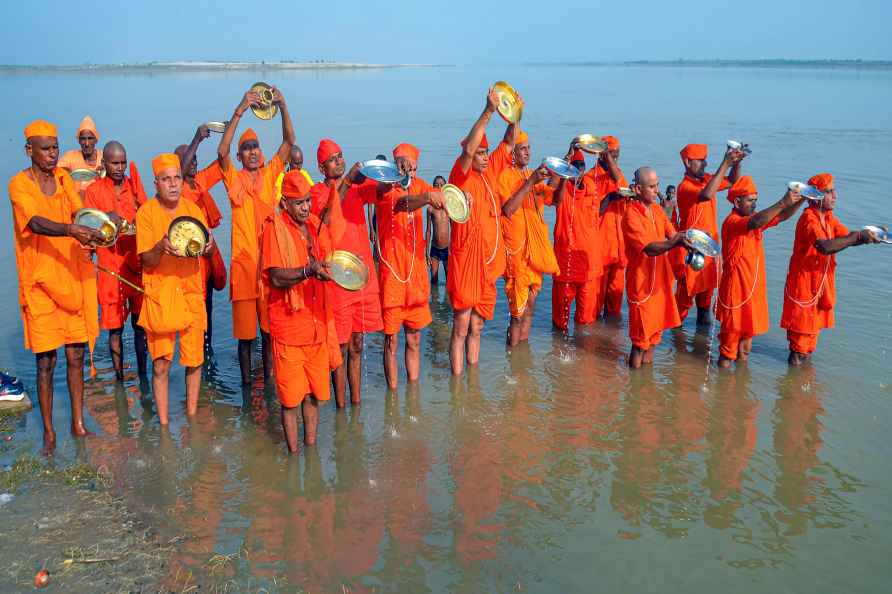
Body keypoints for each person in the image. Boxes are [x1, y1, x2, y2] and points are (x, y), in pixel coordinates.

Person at [9, 119, 104, 452]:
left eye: (55, 148)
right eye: (45, 148)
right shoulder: (18, 185)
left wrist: (96, 230)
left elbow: (80, 214)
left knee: (76, 355)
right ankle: (49, 433)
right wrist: (71, 230)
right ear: (29, 150)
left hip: (70, 276)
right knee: (46, 361)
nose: (52, 154)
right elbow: (34, 222)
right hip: (39, 284)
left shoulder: (64, 179)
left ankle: (77, 424)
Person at [217, 86, 295, 385]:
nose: (252, 151)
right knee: (245, 339)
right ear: (240, 155)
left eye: (255, 146)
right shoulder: (233, 179)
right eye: (246, 147)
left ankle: (272, 385)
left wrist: (283, 106)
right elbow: (221, 152)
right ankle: (248, 390)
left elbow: (289, 141)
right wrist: (240, 108)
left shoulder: (272, 171)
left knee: (269, 333)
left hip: (269, 269)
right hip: (243, 269)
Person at [261, 171, 341, 453]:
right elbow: (275, 277)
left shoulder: (314, 224)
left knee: (314, 396)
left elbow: (331, 253)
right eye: (299, 203)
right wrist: (308, 270)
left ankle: (311, 449)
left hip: (317, 323)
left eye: (308, 200)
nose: (306, 207)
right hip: (290, 329)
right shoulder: (274, 228)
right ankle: (294, 456)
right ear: (285, 203)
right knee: (291, 401)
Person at [136, 153, 216, 425]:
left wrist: (210, 246)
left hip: (192, 290)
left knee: (194, 360)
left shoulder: (193, 211)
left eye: (177, 178)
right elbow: (145, 260)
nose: (172, 184)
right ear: (155, 183)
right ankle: (164, 424)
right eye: (166, 179)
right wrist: (160, 246)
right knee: (161, 363)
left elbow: (203, 245)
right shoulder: (146, 213)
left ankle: (192, 417)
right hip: (161, 294)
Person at [446, 87, 517, 374]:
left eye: (487, 153)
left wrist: (514, 116)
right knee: (461, 327)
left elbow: (509, 145)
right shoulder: (460, 175)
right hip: (465, 264)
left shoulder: (489, 173)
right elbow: (467, 150)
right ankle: (457, 384)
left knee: (477, 325)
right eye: (481, 153)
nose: (485, 157)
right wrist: (488, 111)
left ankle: (471, 383)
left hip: (488, 266)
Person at [780, 173, 881, 365]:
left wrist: (869, 236)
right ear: (815, 196)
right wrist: (858, 237)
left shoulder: (828, 217)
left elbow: (846, 238)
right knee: (799, 347)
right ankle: (793, 392)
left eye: (834, 190)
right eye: (829, 191)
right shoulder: (809, 219)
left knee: (809, 346)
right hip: (803, 287)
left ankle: (804, 390)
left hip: (818, 287)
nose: (835, 195)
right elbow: (825, 247)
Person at [311, 139, 383, 406]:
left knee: (357, 344)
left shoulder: (358, 188)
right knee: (339, 347)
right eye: (333, 159)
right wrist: (348, 182)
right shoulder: (318, 191)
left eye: (341, 156)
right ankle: (341, 406)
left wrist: (390, 173)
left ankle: (356, 403)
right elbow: (327, 218)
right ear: (321, 167)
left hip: (361, 276)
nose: (339, 161)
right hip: (337, 279)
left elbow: (382, 192)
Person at [365, 143, 442, 388]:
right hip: (392, 278)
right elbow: (402, 204)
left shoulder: (421, 186)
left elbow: (441, 198)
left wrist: (459, 197)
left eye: (410, 164)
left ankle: (413, 393)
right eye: (401, 163)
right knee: (391, 342)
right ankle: (393, 396)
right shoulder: (386, 188)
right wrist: (425, 196)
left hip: (416, 278)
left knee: (415, 340)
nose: (407, 168)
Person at [715, 176, 806, 368]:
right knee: (727, 351)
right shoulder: (732, 222)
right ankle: (723, 388)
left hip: (752, 294)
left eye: (756, 199)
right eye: (750, 200)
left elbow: (781, 216)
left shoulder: (753, 219)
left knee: (745, 349)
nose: (754, 204)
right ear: (737, 201)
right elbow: (756, 221)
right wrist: (783, 201)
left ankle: (739, 391)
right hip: (735, 294)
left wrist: (803, 198)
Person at [84, 141, 149, 380]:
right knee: (115, 329)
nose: (119, 167)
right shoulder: (93, 191)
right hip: (110, 267)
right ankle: (120, 377)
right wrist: (106, 220)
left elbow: (147, 216)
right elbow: (89, 230)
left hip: (135, 264)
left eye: (123, 162)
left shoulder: (133, 186)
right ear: (104, 164)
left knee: (140, 326)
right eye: (114, 163)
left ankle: (143, 373)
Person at [622, 167, 689, 368]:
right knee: (640, 342)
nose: (656, 190)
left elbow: (673, 235)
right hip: (641, 284)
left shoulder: (658, 210)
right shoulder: (630, 215)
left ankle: (646, 390)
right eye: (651, 186)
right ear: (637, 188)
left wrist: (692, 239)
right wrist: (675, 243)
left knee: (654, 339)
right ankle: (634, 387)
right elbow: (649, 249)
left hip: (660, 283)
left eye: (657, 185)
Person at [675, 143, 746, 325]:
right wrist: (725, 162)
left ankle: (699, 348)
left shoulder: (706, 179)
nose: (705, 164)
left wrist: (736, 162)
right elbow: (706, 195)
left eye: (705, 160)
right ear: (687, 162)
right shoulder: (684, 187)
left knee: (705, 305)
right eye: (700, 161)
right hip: (691, 251)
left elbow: (732, 181)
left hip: (709, 249)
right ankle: (674, 347)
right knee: (683, 303)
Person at [498, 131, 557, 345]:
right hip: (516, 254)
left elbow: (555, 198)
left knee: (530, 306)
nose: (528, 152)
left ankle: (522, 356)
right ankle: (513, 357)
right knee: (517, 313)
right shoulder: (505, 176)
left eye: (529, 148)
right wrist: (530, 182)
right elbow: (508, 209)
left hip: (534, 253)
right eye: (523, 148)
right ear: (512, 152)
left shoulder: (532, 175)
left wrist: (562, 172)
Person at [175, 124, 225, 362]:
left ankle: (206, 356)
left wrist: (233, 122)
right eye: (188, 159)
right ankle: (194, 358)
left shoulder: (199, 182)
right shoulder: (176, 190)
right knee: (193, 316)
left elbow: (222, 160)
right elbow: (180, 171)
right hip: (187, 263)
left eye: (195, 159)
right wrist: (196, 137)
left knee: (208, 311)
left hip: (206, 258)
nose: (193, 163)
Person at [551, 149, 598, 332]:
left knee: (585, 321)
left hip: (587, 265)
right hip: (565, 264)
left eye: (581, 166)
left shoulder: (591, 188)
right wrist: (566, 160)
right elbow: (551, 189)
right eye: (574, 167)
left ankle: (583, 358)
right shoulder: (562, 190)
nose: (578, 170)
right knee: (560, 322)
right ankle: (558, 352)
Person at [588, 136, 628, 319]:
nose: (615, 160)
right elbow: (589, 214)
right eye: (611, 155)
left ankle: (610, 342)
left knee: (614, 308)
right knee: (593, 306)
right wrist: (609, 199)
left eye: (617, 156)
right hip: (600, 250)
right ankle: (590, 343)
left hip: (619, 251)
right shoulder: (590, 178)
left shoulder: (620, 176)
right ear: (602, 155)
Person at [59, 115, 103, 195]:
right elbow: (56, 173)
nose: (86, 143)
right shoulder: (70, 156)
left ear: (96, 140)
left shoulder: (104, 157)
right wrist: (69, 173)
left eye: (90, 138)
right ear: (79, 140)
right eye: (83, 139)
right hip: (76, 204)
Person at [426, 175, 450, 284]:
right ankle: (433, 300)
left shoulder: (449, 207)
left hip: (447, 248)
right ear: (432, 187)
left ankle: (448, 300)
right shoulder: (430, 208)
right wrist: (426, 251)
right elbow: (428, 231)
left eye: (441, 185)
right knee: (434, 279)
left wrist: (453, 248)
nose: (439, 187)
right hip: (434, 248)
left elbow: (454, 228)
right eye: (436, 185)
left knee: (449, 278)